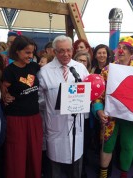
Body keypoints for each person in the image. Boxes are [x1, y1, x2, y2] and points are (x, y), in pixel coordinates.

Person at [93, 36, 133, 178]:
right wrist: (98, 110)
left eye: (126, 48)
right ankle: (103, 175)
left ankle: (124, 174)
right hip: (110, 115)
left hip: (130, 115)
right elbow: (99, 94)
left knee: (127, 145)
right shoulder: (107, 69)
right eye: (120, 48)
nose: (121, 51)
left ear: (132, 51)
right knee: (107, 145)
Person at [38, 35, 89, 178]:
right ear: (54, 52)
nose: (65, 54)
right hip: (56, 124)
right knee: (55, 166)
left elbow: (88, 94)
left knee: (76, 163)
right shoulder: (45, 71)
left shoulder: (80, 69)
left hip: (76, 125)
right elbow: (40, 99)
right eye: (61, 51)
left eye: (68, 50)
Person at [1, 35, 43, 178]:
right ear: (17, 51)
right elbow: (3, 95)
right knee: (16, 155)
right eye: (27, 52)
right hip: (16, 119)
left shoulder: (34, 67)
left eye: (32, 52)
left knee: (34, 154)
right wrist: (5, 97)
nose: (30, 55)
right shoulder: (9, 71)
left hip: (34, 117)